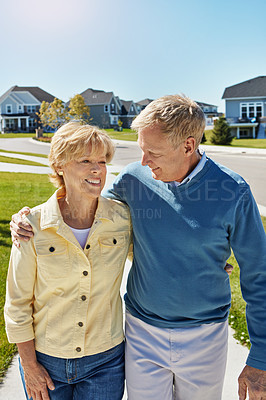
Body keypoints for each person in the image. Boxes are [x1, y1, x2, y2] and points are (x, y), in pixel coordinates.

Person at [10, 95, 266, 400]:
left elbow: (259, 277)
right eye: (142, 149)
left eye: (152, 152)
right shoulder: (134, 179)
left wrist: (261, 357)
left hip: (205, 335)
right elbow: (88, 202)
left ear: (188, 145)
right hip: (142, 331)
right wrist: (28, 218)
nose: (143, 161)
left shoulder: (232, 191)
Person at [5, 121, 131, 400]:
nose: (97, 169)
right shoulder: (32, 225)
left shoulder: (122, 218)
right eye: (85, 160)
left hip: (105, 361)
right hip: (46, 361)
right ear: (60, 165)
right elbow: (17, 304)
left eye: (101, 160)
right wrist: (29, 365)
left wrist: (205, 264)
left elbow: (158, 255)